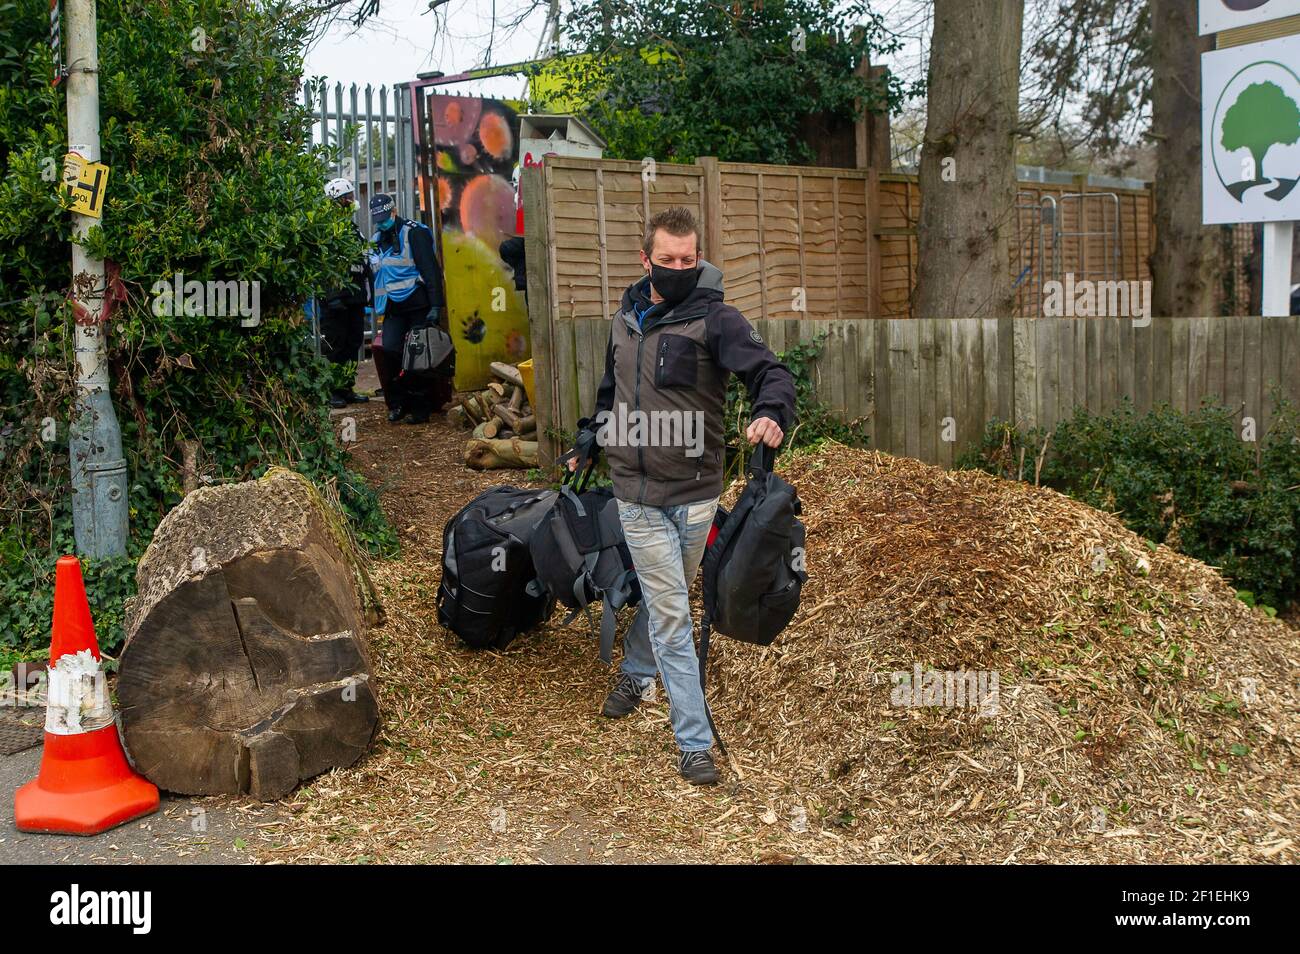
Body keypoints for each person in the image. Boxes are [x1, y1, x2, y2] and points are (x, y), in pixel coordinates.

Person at [569, 206, 796, 786]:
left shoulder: (716, 319)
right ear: (645, 260)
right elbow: (609, 394)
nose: (677, 268)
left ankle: (638, 670)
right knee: (673, 613)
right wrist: (589, 442)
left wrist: (771, 413)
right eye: (666, 260)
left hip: (695, 495)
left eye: (688, 260)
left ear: (699, 258)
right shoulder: (624, 320)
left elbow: (771, 373)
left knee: (661, 591)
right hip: (635, 495)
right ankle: (695, 742)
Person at [368, 193, 449, 425]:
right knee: (391, 350)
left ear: (394, 212)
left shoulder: (415, 232)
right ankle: (397, 403)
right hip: (394, 307)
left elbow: (431, 271)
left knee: (418, 356)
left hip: (418, 304)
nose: (382, 222)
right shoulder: (377, 239)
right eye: (379, 220)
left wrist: (436, 305)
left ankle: (421, 407)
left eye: (385, 218)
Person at [320, 178, 371, 408]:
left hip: (354, 298)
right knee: (334, 346)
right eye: (347, 197)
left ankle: (345, 387)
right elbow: (323, 265)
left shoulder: (351, 228)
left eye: (351, 196)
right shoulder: (326, 229)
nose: (351, 201)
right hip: (336, 302)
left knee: (352, 343)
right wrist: (332, 297)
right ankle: (330, 391)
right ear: (336, 201)